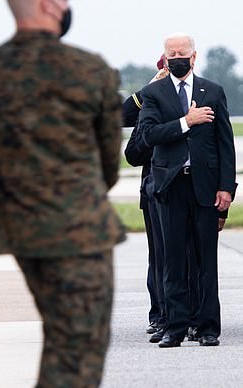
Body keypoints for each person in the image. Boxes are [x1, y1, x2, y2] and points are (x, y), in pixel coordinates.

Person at [0, 0, 125, 386]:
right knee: (79, 351)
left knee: (63, 337)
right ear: (49, 6)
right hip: (80, 229)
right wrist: (83, 195)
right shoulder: (88, 68)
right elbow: (107, 162)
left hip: (18, 226)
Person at [139, 32, 236, 348]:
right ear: (164, 57)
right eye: (171, 53)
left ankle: (208, 327)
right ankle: (175, 327)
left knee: (206, 261)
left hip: (204, 188)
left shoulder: (214, 91)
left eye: (182, 52)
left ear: (194, 57)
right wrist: (187, 121)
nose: (176, 57)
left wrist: (226, 188)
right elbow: (149, 134)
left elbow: (224, 144)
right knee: (173, 261)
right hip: (170, 187)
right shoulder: (154, 93)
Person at [123, 56, 169, 342]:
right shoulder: (149, 104)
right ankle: (160, 314)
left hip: (189, 189)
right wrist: (148, 90)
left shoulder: (198, 97)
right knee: (159, 258)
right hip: (154, 189)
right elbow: (121, 115)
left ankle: (187, 315)